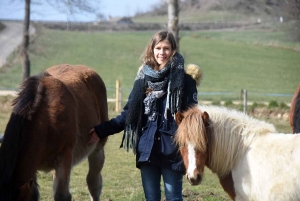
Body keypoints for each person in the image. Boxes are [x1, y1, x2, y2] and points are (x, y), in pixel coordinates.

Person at [89, 30, 198, 201]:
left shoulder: (185, 81)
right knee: (151, 198)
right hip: (147, 150)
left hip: (173, 150)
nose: (162, 53)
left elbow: (192, 119)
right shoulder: (142, 79)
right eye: (158, 48)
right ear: (152, 49)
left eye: (166, 48)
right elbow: (128, 115)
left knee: (174, 197)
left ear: (173, 50)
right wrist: (100, 131)